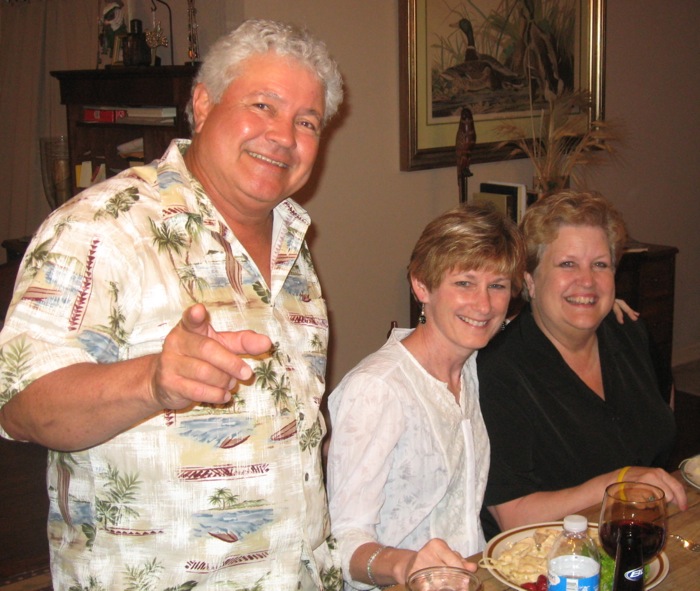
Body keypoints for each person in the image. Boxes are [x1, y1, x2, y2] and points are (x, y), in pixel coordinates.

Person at [0, 19, 344, 590]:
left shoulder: (294, 251)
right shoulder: (102, 228)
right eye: (262, 105)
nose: (283, 135)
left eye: (305, 122)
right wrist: (152, 383)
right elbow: (20, 404)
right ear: (204, 104)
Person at [326, 203, 526, 589]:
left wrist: (604, 307)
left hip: (476, 577)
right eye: (464, 283)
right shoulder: (378, 389)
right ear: (422, 286)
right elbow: (341, 542)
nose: (484, 305)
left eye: (497, 285)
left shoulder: (471, 366)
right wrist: (408, 565)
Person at [477, 190, 688, 541]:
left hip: (642, 535)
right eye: (567, 264)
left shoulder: (629, 333)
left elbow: (663, 420)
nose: (587, 281)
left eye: (600, 264)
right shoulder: (499, 370)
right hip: (550, 562)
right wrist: (618, 482)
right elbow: (512, 517)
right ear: (529, 279)